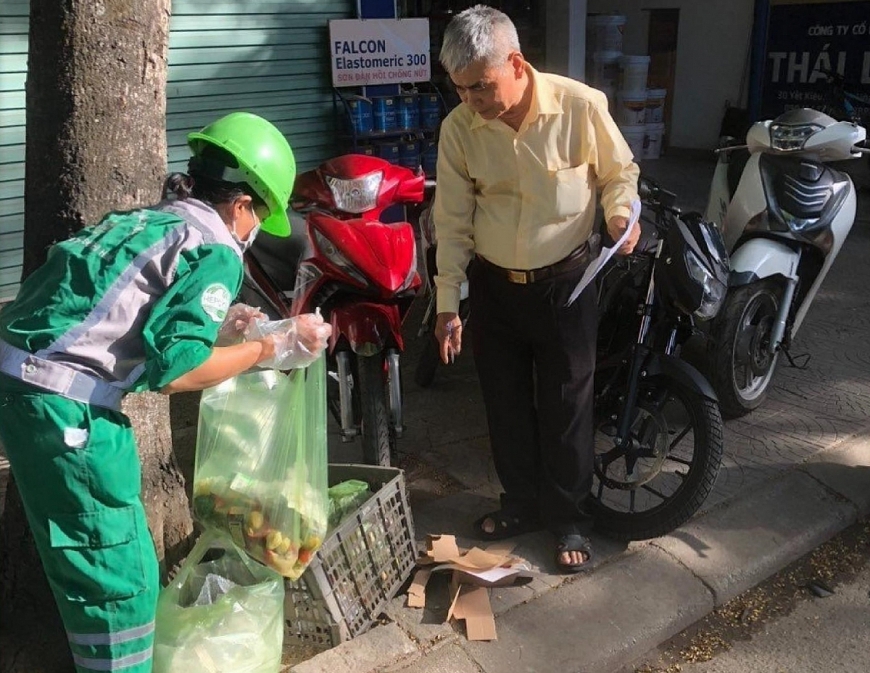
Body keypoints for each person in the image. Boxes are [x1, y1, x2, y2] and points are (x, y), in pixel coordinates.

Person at [0, 111, 330, 672]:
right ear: (241, 204)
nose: (254, 231)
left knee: (96, 562)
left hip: (27, 387)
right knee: (118, 582)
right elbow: (177, 372)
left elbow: (131, 318)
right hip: (65, 408)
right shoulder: (215, 249)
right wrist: (271, 348)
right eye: (259, 216)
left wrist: (224, 330)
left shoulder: (152, 220)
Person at [433, 6, 640, 574]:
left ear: (516, 64)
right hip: (495, 286)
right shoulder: (459, 130)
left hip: (567, 285)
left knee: (567, 406)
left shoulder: (580, 106)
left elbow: (619, 172)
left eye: (480, 86)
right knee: (504, 403)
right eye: (460, 89)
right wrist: (448, 304)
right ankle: (521, 505)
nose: (470, 100)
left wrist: (620, 215)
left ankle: (569, 517)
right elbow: (452, 221)